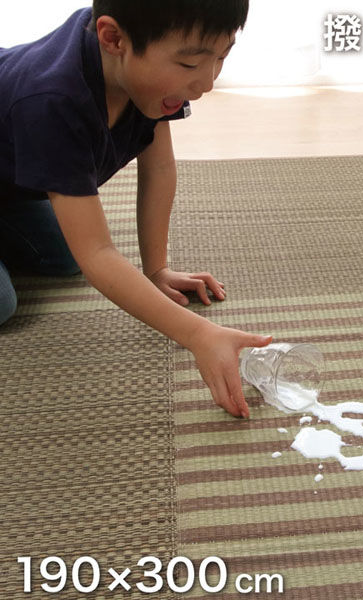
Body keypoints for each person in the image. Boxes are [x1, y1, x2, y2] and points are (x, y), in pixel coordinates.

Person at [0, 0, 272, 418]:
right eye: (189, 64)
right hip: (25, 143)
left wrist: (156, 269)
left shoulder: (140, 71)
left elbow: (158, 167)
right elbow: (98, 253)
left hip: (14, 185)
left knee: (65, 256)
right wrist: (198, 334)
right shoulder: (52, 101)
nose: (206, 83)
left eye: (221, 57)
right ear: (113, 39)